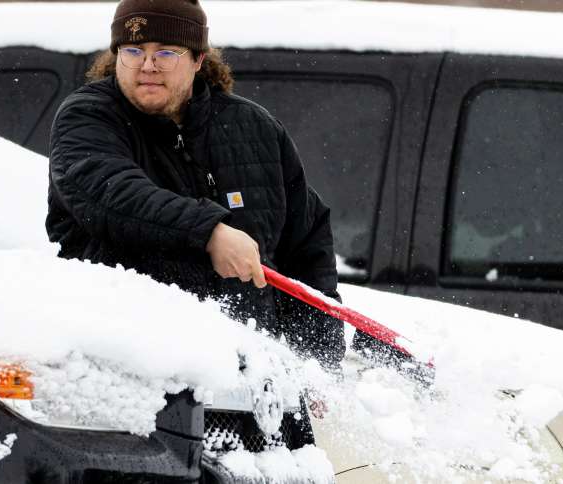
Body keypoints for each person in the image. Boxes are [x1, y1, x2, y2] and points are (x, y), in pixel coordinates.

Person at [46, 0, 344, 367]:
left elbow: (307, 246)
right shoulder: (88, 116)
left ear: (199, 59)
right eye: (133, 50)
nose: (147, 65)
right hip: (131, 367)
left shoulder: (254, 128)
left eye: (166, 52)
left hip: (251, 373)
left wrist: (320, 364)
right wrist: (209, 232)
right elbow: (110, 194)